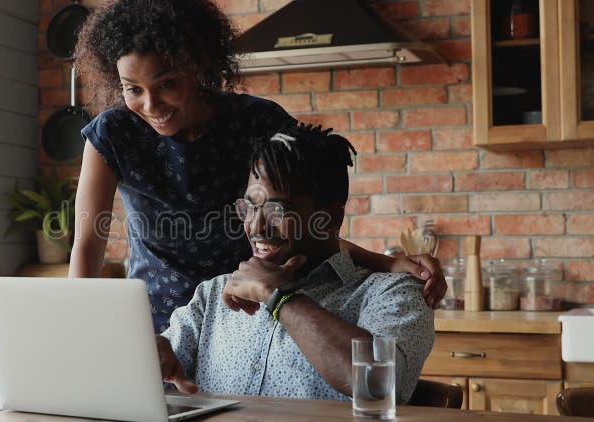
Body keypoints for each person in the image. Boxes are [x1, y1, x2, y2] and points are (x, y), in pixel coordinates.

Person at [70, 0, 445, 332]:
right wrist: (77, 327)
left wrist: (387, 263)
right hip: (155, 325)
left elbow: (308, 225)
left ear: (196, 64)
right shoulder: (113, 132)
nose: (151, 104)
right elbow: (87, 244)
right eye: (132, 89)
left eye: (166, 83)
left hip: (249, 316)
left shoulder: (257, 122)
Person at [157, 123, 434, 403]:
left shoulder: (391, 293)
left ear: (331, 218)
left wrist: (279, 297)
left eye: (278, 210)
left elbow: (379, 384)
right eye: (250, 207)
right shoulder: (214, 296)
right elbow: (158, 372)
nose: (256, 225)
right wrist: (148, 358)